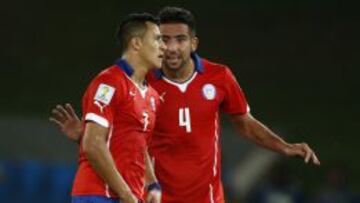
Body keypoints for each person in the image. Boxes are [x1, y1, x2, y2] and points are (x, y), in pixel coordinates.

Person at [50, 7, 320, 203]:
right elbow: (121, 138)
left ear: (193, 43)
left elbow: (245, 124)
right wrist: (87, 137)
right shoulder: (140, 83)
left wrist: (283, 146)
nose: (171, 47)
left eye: (179, 39)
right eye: (162, 39)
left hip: (207, 197)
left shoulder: (219, 77)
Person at [51, 13, 166, 203]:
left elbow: (137, 145)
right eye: (157, 39)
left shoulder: (152, 96)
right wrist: (126, 194)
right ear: (136, 43)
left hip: (130, 195)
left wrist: (152, 185)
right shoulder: (109, 83)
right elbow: (93, 145)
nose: (164, 46)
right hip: (99, 194)